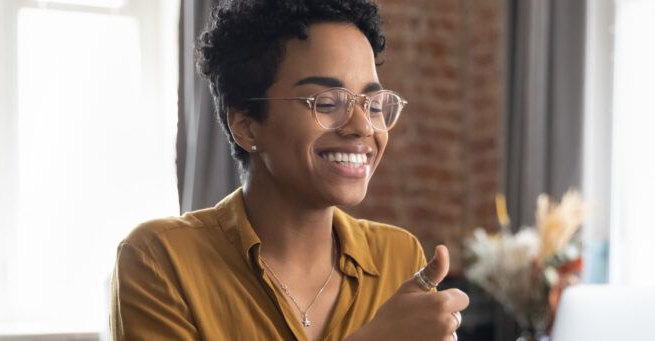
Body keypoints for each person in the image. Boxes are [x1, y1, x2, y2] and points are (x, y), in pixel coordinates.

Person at [108, 0, 469, 340]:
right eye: (327, 103)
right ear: (246, 125)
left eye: (373, 104)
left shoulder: (398, 255)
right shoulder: (159, 260)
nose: (363, 127)